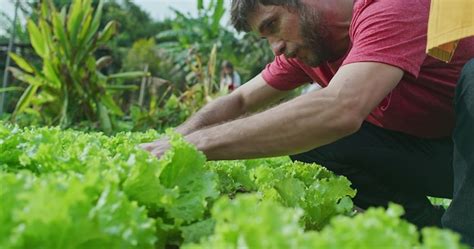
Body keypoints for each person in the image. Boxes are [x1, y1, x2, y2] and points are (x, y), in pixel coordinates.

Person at [141, 0, 474, 245]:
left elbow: (341, 107)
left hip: (466, 156)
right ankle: (426, 232)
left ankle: (463, 236)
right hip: (447, 162)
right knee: (316, 140)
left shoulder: (390, 8)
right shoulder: (312, 50)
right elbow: (240, 100)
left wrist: (195, 146)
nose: (277, 48)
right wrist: (174, 139)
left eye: (272, 25)